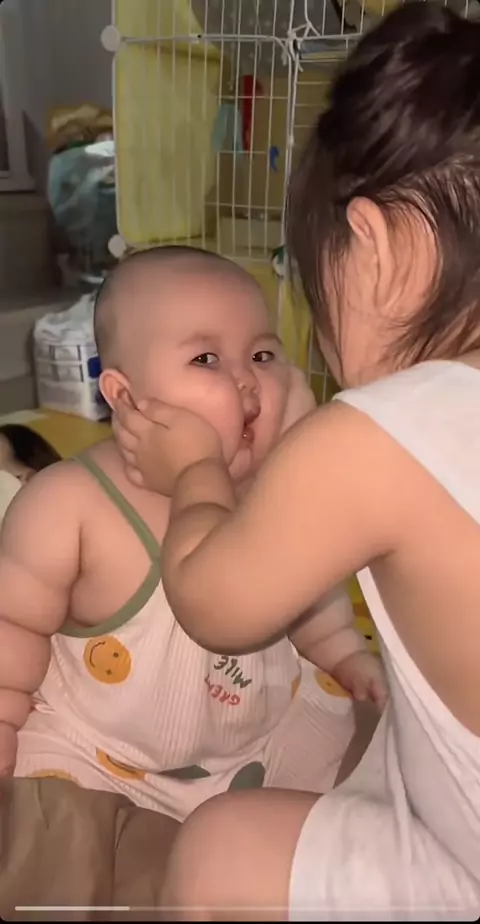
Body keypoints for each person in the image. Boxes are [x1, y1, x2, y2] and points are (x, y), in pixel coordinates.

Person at [112, 3, 480, 920]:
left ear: (375, 243)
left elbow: (215, 600)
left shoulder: (372, 438)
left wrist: (195, 473)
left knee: (216, 850)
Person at [0, 246, 383, 915]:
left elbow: (307, 592)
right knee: (56, 852)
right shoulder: (68, 503)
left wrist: (345, 654)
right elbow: (11, 629)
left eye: (262, 355)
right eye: (206, 359)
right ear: (125, 396)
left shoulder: (272, 485)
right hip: (103, 752)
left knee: (383, 767)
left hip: (262, 735)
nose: (246, 381)